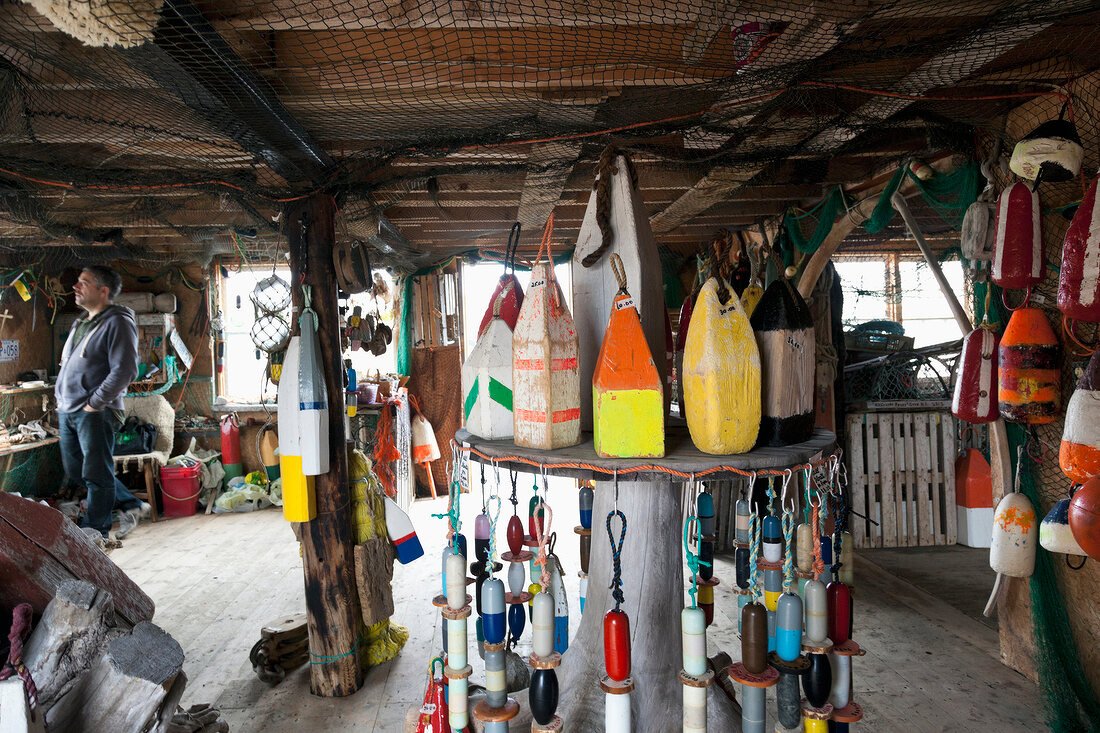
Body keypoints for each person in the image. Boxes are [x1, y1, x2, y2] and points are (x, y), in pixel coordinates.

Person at [55, 266, 149, 544]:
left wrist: (95, 403)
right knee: (76, 470)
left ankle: (95, 530)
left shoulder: (118, 322)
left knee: (95, 474)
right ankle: (131, 503)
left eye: (84, 283)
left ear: (102, 290)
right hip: (68, 408)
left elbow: (125, 370)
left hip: (94, 410)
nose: (76, 287)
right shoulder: (81, 322)